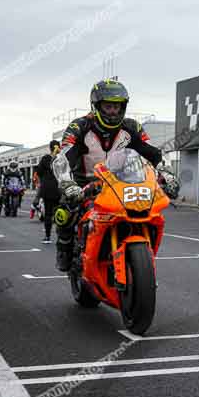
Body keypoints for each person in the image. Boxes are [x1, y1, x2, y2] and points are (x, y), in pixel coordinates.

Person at [53, 78, 162, 272]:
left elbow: (152, 154)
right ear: (96, 106)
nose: (113, 112)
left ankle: (139, 254)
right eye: (108, 106)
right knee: (64, 212)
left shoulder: (132, 127)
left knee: (149, 213)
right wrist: (67, 183)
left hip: (122, 184)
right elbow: (62, 157)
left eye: (117, 107)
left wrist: (164, 175)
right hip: (84, 185)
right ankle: (64, 248)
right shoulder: (79, 127)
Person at [33, 140, 62, 243]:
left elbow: (39, 172)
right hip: (60, 188)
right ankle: (62, 237)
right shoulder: (62, 158)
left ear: (50, 148)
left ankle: (47, 237)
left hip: (47, 189)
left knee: (48, 214)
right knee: (60, 213)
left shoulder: (45, 158)